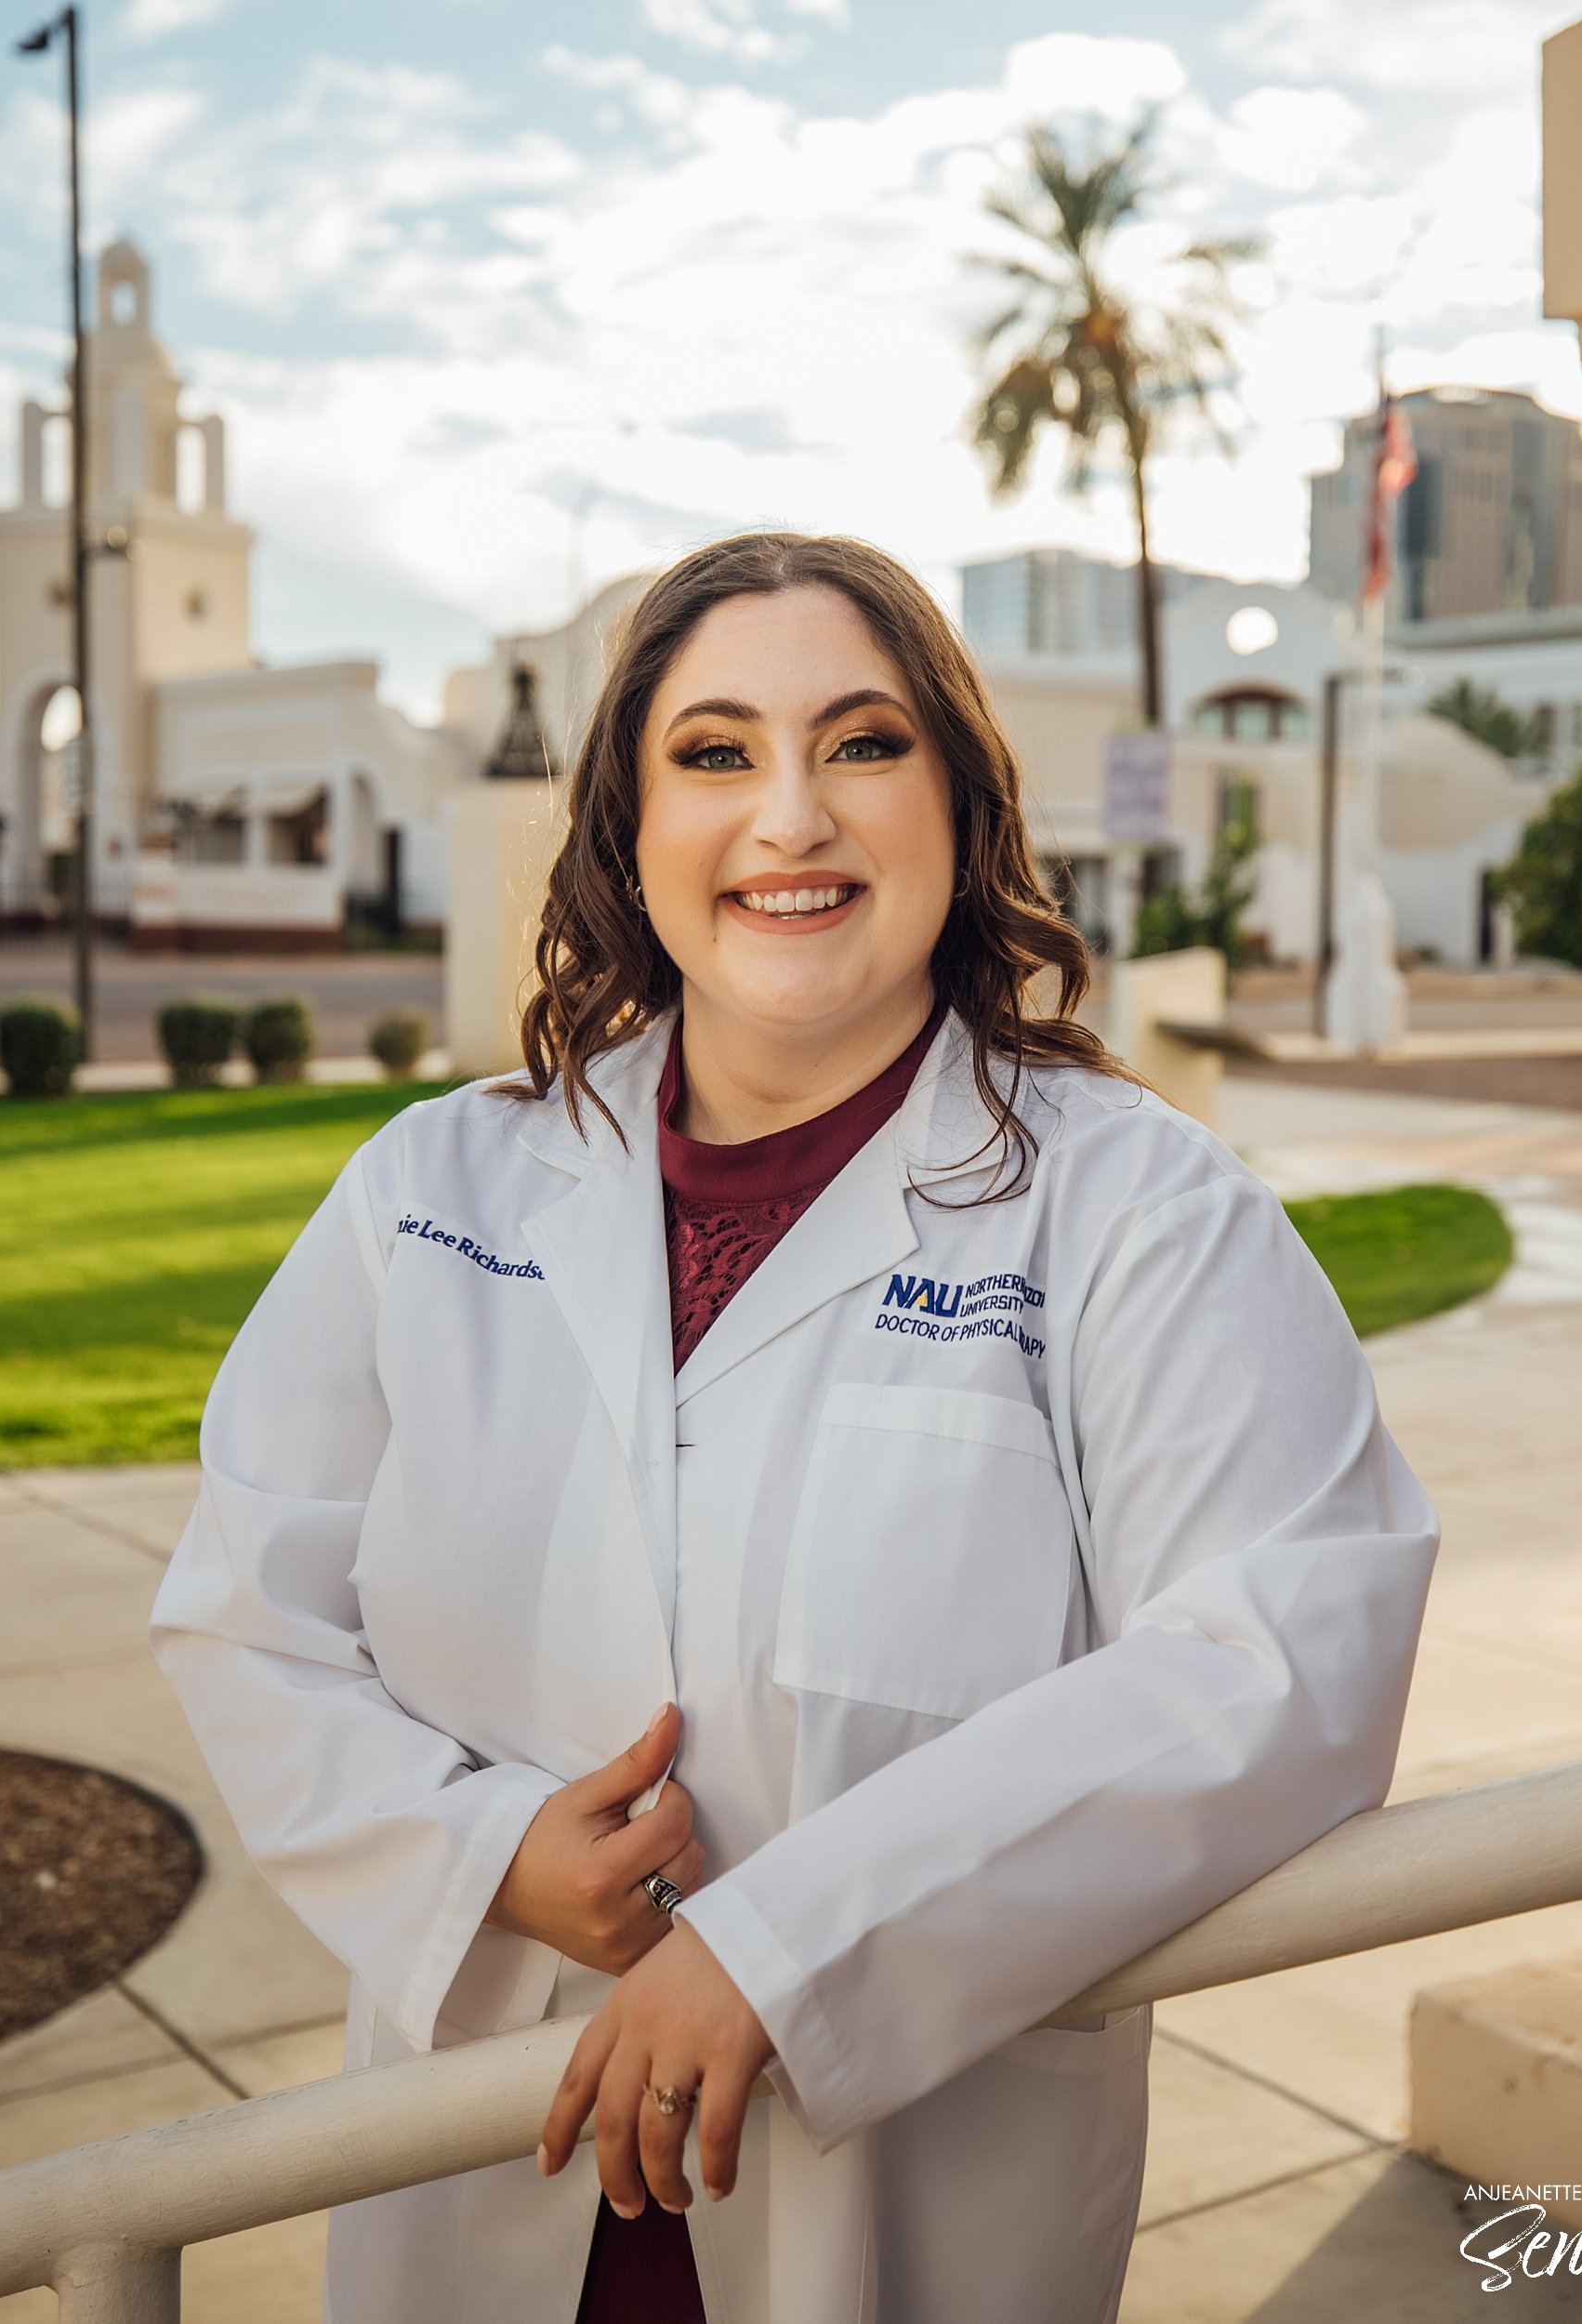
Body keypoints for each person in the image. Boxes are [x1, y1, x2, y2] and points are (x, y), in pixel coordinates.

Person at [150, 531, 1438, 2324]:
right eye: (715, 753)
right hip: (479, 2170)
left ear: (962, 802)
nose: (791, 819)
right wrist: (481, 1854)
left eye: (861, 742)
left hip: (911, 2203)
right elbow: (246, 1609)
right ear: (628, 825)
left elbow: (1284, 1656)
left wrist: (795, 1943)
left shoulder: (1142, 1212)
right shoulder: (431, 1192)